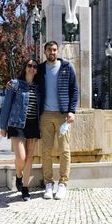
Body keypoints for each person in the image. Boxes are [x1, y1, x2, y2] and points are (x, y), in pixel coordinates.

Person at [37, 40, 79, 200]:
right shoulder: (40, 69)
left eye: (54, 50)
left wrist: (72, 111)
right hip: (45, 114)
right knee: (46, 150)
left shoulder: (67, 67)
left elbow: (74, 90)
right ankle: (49, 184)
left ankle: (63, 184)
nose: (52, 53)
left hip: (63, 115)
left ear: (57, 51)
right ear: (45, 52)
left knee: (64, 150)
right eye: (49, 50)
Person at [0, 58, 41, 201]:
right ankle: (18, 175)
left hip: (33, 124)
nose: (32, 68)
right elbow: (7, 105)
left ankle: (25, 188)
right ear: (25, 68)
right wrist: (3, 126)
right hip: (16, 123)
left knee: (30, 157)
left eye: (35, 66)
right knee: (21, 157)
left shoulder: (39, 87)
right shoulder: (15, 84)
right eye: (29, 65)